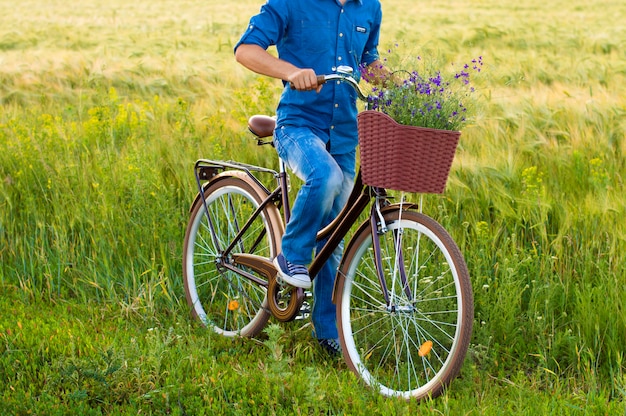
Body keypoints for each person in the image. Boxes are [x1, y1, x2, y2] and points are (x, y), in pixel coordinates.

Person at [234, 0, 390, 356]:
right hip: (298, 126)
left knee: (334, 236)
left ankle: (327, 333)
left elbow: (368, 61)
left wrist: (401, 85)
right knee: (325, 176)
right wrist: (290, 71)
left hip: (346, 134)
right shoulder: (290, 3)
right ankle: (290, 256)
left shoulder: (369, 8)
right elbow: (246, 50)